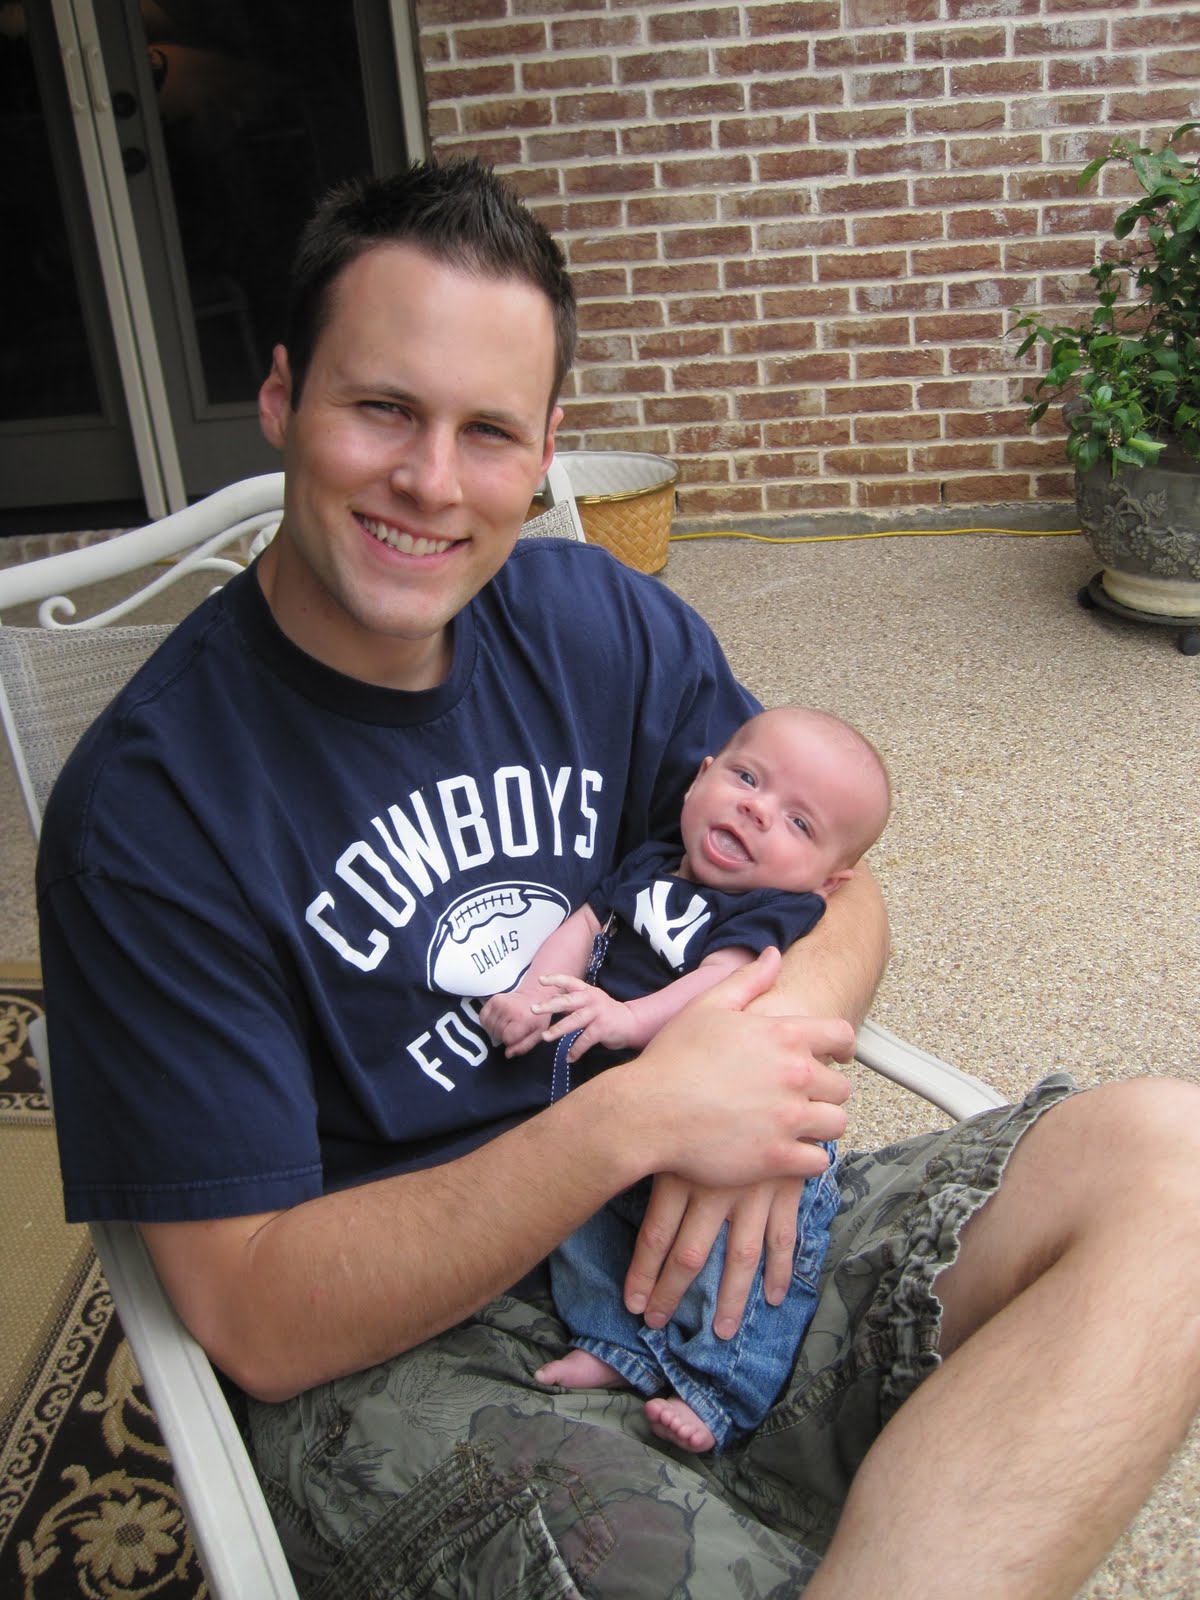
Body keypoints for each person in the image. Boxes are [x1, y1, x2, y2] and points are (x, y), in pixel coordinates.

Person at [35, 159, 1200, 1599]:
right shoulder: (150, 815)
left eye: (487, 430)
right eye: (383, 407)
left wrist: (744, 1058)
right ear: (282, 396)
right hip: (425, 1358)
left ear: (545, 452)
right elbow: (257, 1319)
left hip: (708, 1215)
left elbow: (839, 891)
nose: (431, 481)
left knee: (1172, 1168)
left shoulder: (597, 621)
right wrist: (635, 1116)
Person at [481, 705, 891, 1454]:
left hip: (732, 1125)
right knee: (580, 1232)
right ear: (700, 778)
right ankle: (617, 1347)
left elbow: (720, 980)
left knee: (747, 1268)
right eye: (746, 778)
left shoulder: (771, 908)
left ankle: (723, 1388)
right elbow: (583, 925)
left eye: (799, 823)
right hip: (619, 1119)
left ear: (829, 883)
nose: (757, 811)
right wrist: (532, 994)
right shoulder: (651, 862)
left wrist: (628, 1018)